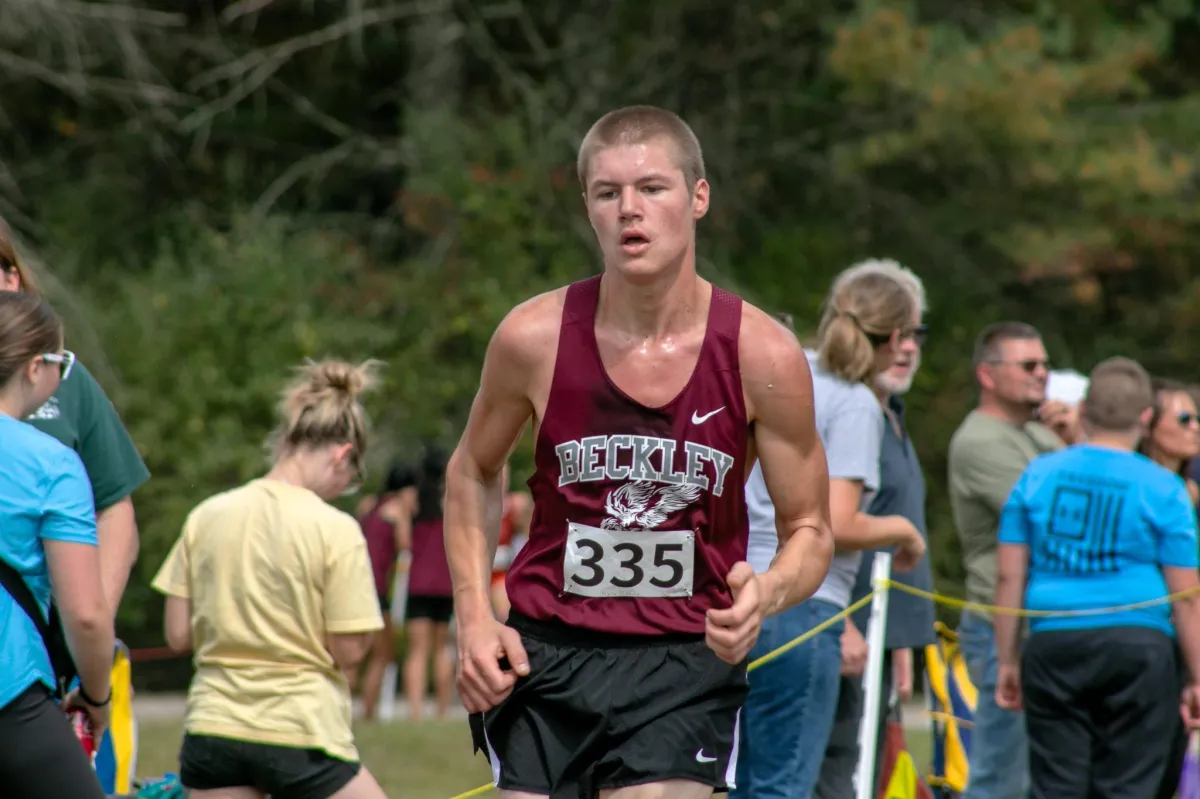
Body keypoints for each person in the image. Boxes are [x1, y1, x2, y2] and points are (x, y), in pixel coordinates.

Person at [446, 104, 836, 799]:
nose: (630, 209)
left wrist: (767, 592)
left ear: (698, 196)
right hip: (548, 653)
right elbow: (473, 468)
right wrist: (474, 614)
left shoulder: (761, 353)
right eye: (608, 192)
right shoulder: (531, 337)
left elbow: (811, 527)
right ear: (588, 206)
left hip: (685, 659)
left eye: (652, 187)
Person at [151, 359, 388, 799]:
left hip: (211, 730)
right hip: (301, 731)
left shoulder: (206, 514)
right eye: (350, 479)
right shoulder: (334, 528)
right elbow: (350, 650)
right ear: (341, 456)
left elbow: (179, 634)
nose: (344, 489)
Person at [734, 285, 926, 799]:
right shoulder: (854, 401)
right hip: (802, 604)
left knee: (739, 782)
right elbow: (835, 522)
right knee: (783, 787)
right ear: (893, 338)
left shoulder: (789, 373)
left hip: (738, 598)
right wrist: (904, 532)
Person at [993, 356, 1200, 798]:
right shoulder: (1165, 488)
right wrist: (1197, 677)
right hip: (1139, 647)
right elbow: (1186, 598)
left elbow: (1008, 578)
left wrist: (1007, 658)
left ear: (1084, 410)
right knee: (1128, 786)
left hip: (1054, 642)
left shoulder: (1036, 475)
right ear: (1146, 417)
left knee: (1057, 787)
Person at [816, 259, 936, 799]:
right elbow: (811, 524)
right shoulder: (841, 409)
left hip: (879, 632)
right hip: (832, 625)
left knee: (861, 775)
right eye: (899, 334)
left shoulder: (887, 414)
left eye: (918, 334)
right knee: (825, 777)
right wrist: (836, 622)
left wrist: (902, 639)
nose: (909, 347)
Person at [947, 321, 1074, 799]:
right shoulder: (980, 441)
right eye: (1028, 365)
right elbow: (1060, 520)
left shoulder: (1041, 436)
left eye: (1044, 364)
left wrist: (1076, 435)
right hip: (1000, 627)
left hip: (1041, 625)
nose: (1042, 374)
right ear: (988, 374)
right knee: (1001, 778)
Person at [1, 221, 148, 617]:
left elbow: (114, 508)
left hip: (45, 639)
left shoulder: (60, 377)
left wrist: (88, 628)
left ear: (11, 279)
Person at [0, 292, 115, 798]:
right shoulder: (52, 464)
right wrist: (96, 693)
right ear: (33, 367)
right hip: (9, 688)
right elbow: (86, 613)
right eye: (61, 364)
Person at [352, 460, 417, 721]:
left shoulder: (369, 504)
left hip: (355, 583)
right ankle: (368, 712)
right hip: (377, 588)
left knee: (355, 653)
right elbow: (405, 545)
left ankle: (346, 708)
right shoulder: (397, 510)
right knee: (382, 654)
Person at [403, 446, 456, 722]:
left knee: (417, 651)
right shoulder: (452, 499)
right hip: (445, 583)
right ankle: (443, 711)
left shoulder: (413, 500)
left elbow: (403, 540)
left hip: (419, 582)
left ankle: (414, 712)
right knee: (441, 648)